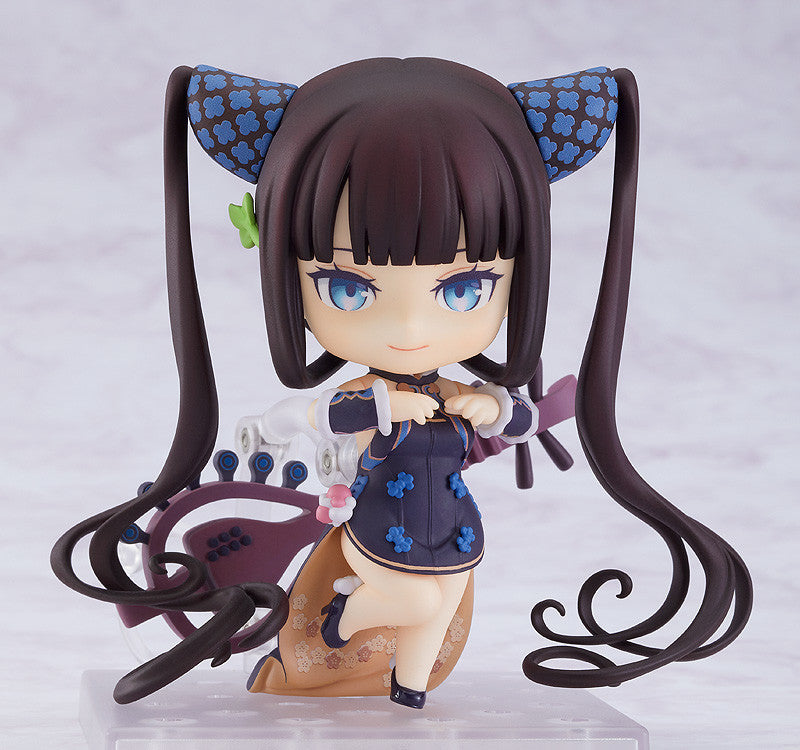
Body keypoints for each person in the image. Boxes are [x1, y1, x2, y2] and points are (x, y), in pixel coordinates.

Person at [51, 58, 751, 708]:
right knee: (415, 602)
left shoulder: (453, 394)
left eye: (465, 287)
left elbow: (518, 422)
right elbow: (315, 418)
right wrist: (381, 405)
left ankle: (409, 698)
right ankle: (346, 616)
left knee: (438, 612)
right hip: (378, 524)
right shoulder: (360, 398)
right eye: (348, 289)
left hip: (450, 528)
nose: (411, 328)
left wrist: (493, 409)